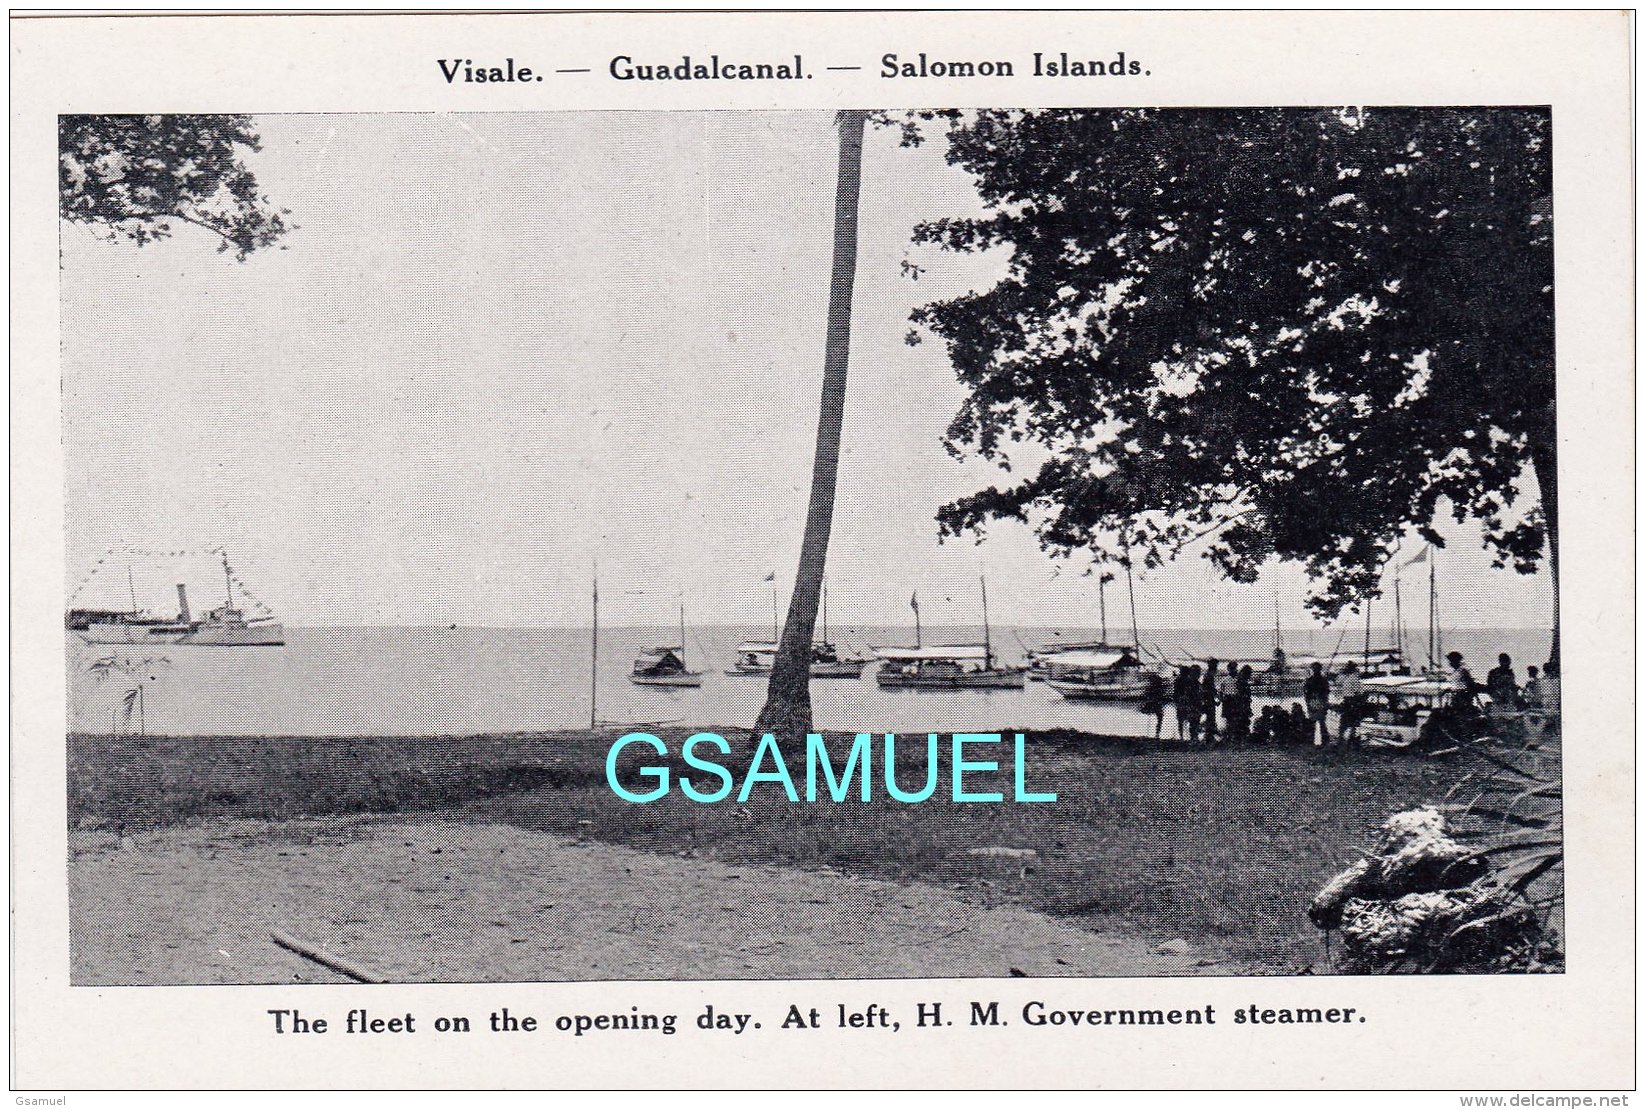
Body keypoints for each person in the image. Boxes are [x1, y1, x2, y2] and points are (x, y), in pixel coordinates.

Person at [1337, 660, 1366, 744]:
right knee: (1352, 720)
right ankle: (1350, 736)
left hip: (1350, 700)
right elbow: (1359, 691)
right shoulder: (1352, 677)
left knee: (1348, 720)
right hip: (1351, 701)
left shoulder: (1352, 677)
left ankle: (1347, 736)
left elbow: (1357, 690)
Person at [1303, 661, 1332, 746]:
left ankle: (1314, 740)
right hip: (1316, 702)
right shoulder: (1322, 680)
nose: (1316, 670)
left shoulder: (1314, 680)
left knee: (1317, 722)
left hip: (1316, 702)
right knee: (1318, 722)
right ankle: (1321, 741)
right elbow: (1326, 692)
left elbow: (1306, 693)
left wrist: (1308, 702)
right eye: (1315, 669)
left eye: (1316, 669)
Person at [1227, 665, 1254, 744]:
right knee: (1241, 723)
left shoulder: (1240, 681)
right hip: (1241, 706)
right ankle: (1239, 740)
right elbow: (1240, 695)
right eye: (1249, 674)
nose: (1250, 676)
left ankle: (1240, 739)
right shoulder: (1241, 681)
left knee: (1242, 723)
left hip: (1241, 705)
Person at [1140, 669, 1167, 740]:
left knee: (1159, 718)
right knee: (1160, 718)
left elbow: (1147, 695)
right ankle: (1157, 734)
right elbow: (1161, 695)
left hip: (1154, 703)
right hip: (1156, 704)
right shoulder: (1158, 687)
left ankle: (1156, 733)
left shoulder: (1152, 687)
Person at [1201, 659, 1221, 743]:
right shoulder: (1208, 676)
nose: (1216, 667)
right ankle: (1209, 737)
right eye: (1215, 665)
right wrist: (1214, 699)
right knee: (1211, 718)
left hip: (1209, 700)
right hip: (1208, 701)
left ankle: (1209, 736)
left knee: (1211, 718)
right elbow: (1208, 689)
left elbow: (1210, 689)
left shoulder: (1208, 675)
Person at [1172, 667, 1194, 740]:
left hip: (1180, 701)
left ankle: (1181, 736)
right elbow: (1191, 692)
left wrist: (1176, 701)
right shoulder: (1189, 680)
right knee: (1188, 719)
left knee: (1180, 720)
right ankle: (1189, 736)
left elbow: (1175, 692)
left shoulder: (1178, 680)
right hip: (1187, 701)